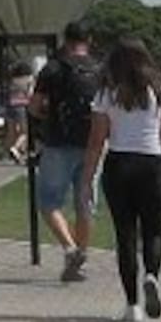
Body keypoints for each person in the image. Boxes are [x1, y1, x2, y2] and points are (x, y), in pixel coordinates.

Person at [80, 38, 161, 322]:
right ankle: (152, 274)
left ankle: (132, 305)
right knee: (154, 230)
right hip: (151, 162)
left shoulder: (107, 93)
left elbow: (95, 141)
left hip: (119, 163)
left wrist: (87, 179)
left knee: (125, 234)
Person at [29, 21, 101, 282]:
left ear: (65, 39)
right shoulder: (99, 69)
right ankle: (81, 257)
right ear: (89, 40)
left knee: (48, 201)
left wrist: (46, 114)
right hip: (92, 144)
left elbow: (34, 107)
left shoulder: (53, 69)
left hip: (58, 142)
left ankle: (70, 249)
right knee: (84, 204)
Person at [5, 61, 34, 163]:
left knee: (11, 131)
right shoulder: (29, 79)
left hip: (10, 105)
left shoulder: (13, 80)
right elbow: (30, 93)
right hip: (22, 105)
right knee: (24, 132)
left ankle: (12, 152)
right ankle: (16, 148)